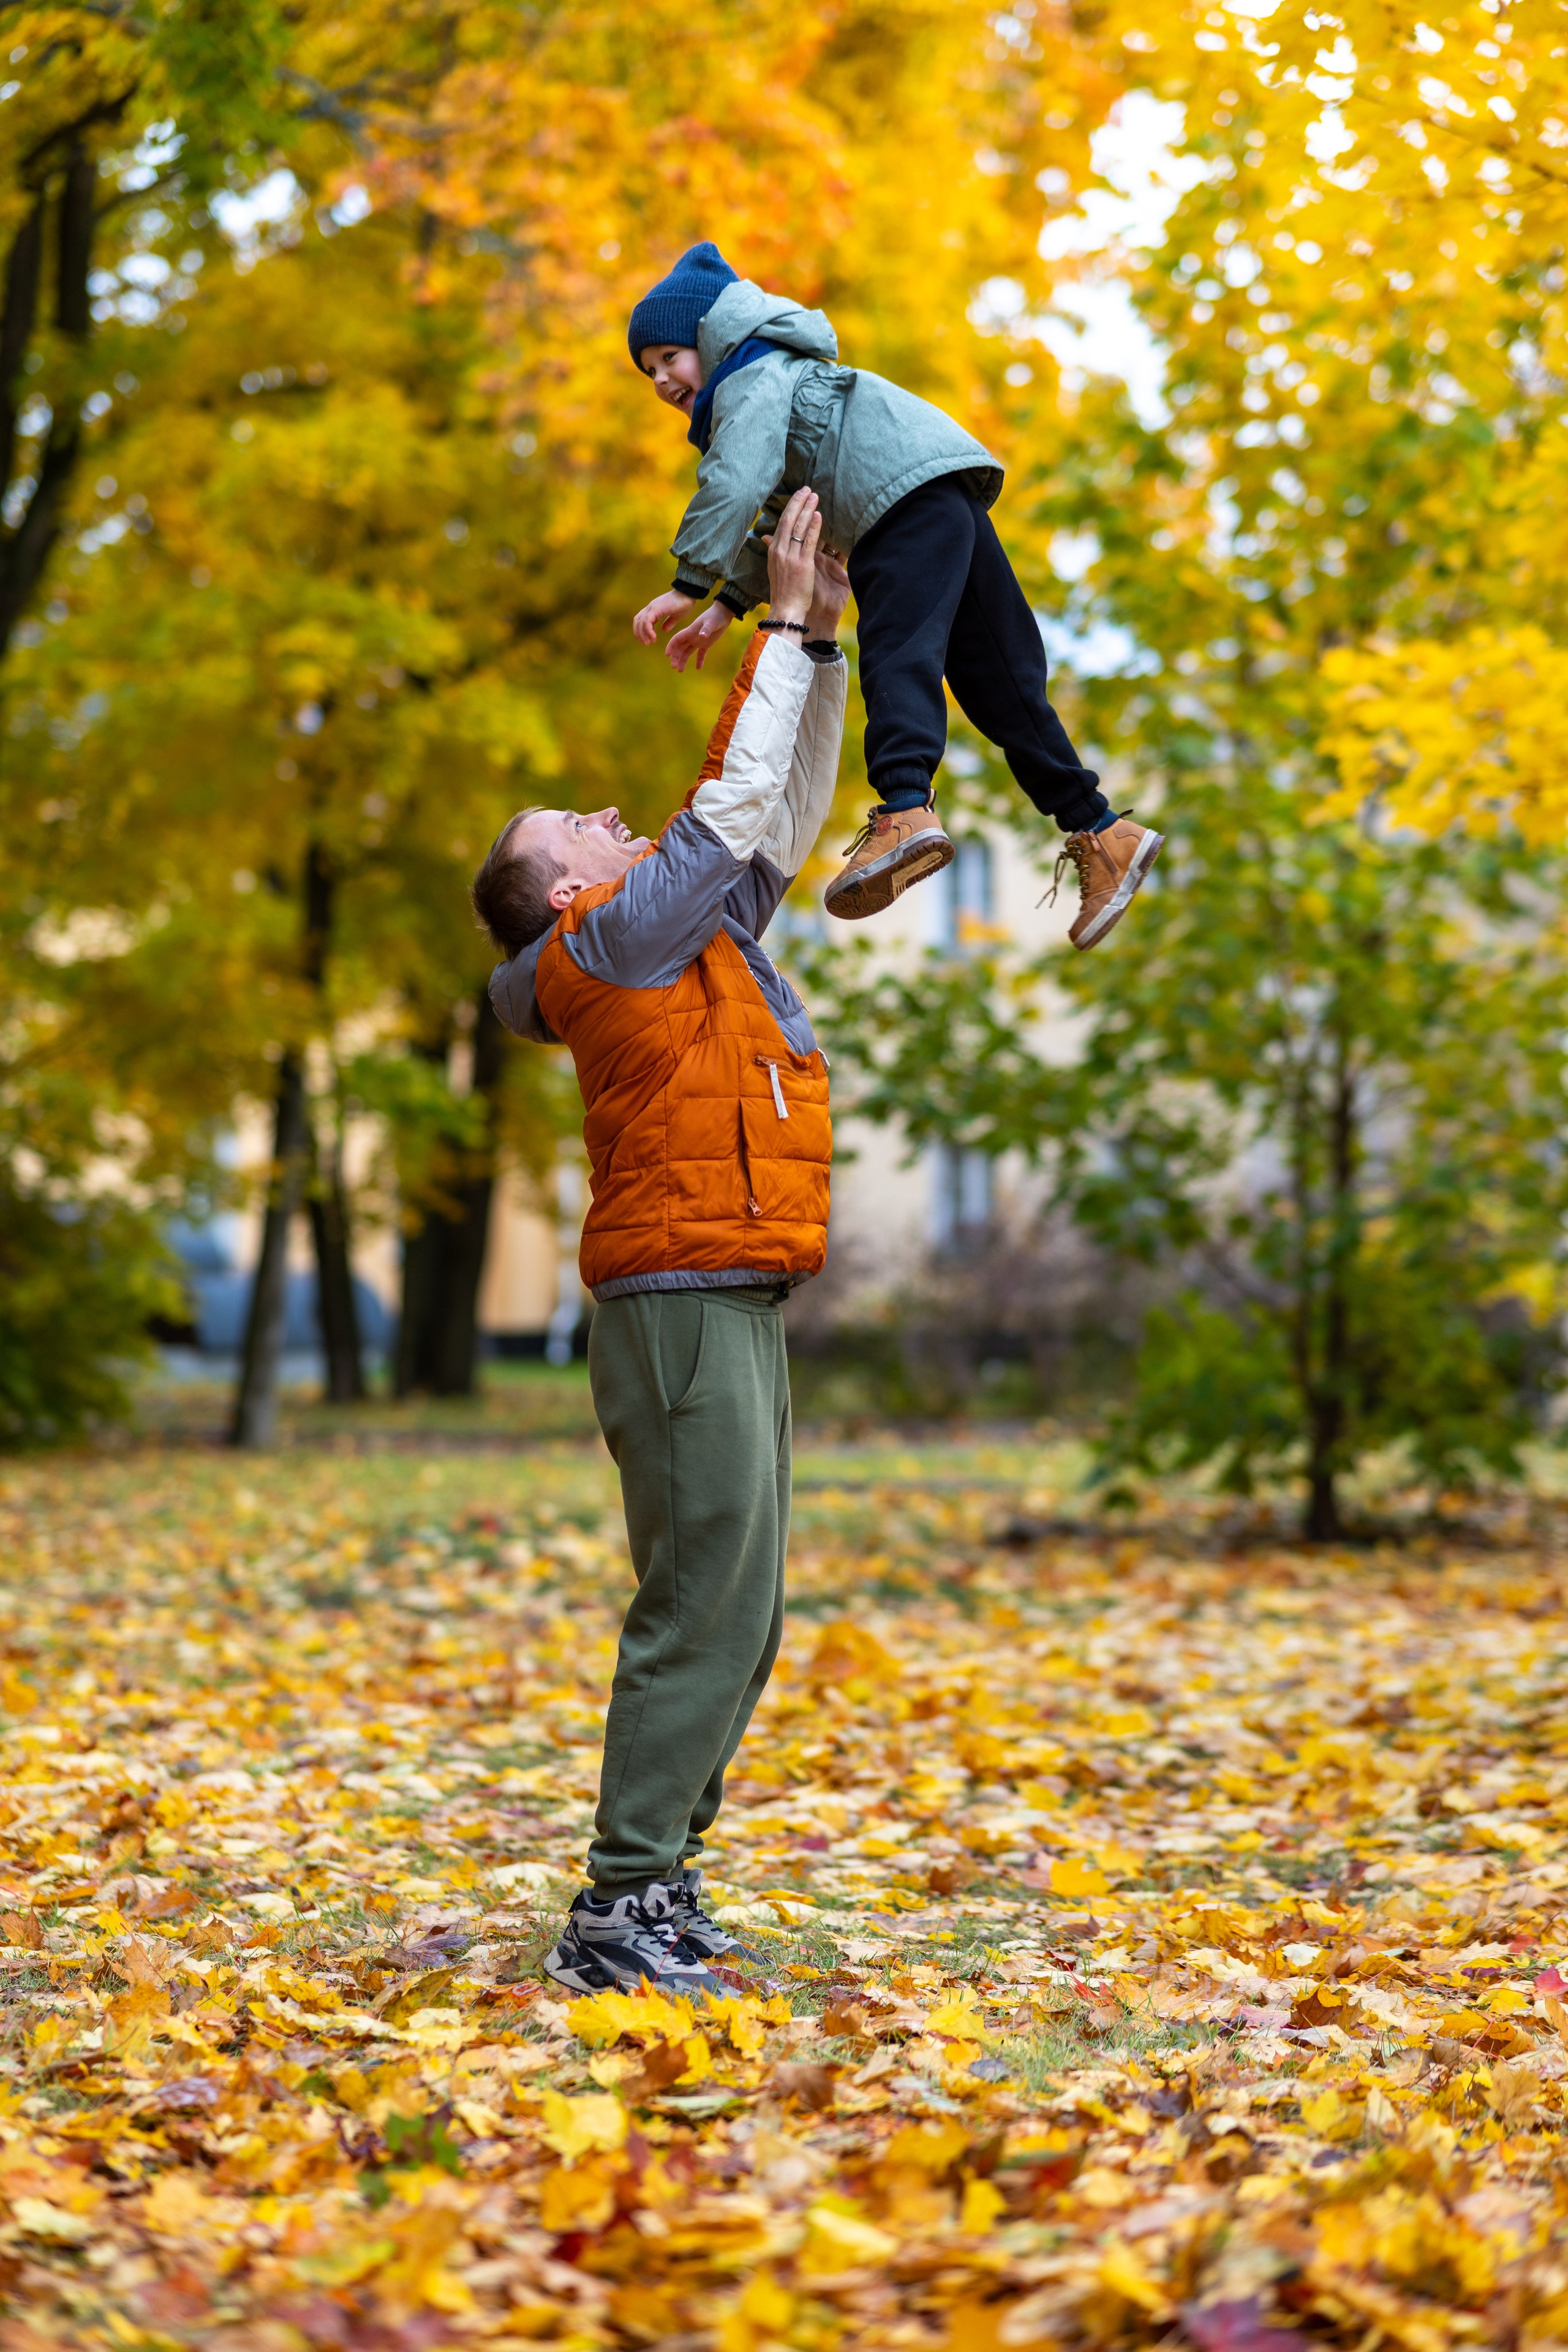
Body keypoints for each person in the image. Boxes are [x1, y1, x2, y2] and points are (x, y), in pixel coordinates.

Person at [472, 489, 847, 1994]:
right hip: (675, 1300)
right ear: (566, 890)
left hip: (731, 1286)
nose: (607, 815)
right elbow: (718, 813)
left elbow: (777, 815)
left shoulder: (677, 932)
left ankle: (662, 1883)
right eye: (580, 828)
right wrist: (777, 623)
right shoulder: (605, 944)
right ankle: (616, 1909)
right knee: (698, 1602)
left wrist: (817, 647)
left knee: (743, 1613)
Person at [625, 240, 1163, 950]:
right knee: (1000, 682)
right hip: (939, 491)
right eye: (649, 372)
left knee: (897, 649)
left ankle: (905, 808)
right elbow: (782, 519)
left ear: (709, 336)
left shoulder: (749, 374)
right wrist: (727, 604)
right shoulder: (773, 378)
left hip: (895, 506)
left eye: (669, 357)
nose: (662, 380)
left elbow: (735, 479)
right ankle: (1099, 827)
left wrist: (686, 585)